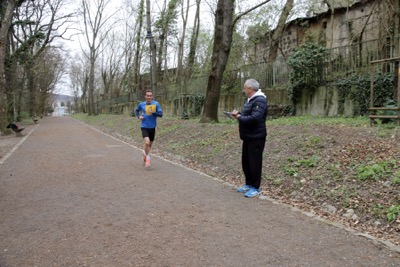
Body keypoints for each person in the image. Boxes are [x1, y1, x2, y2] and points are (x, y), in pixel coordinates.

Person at [231, 79, 268, 198]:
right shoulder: (250, 100)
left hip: (256, 137)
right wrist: (239, 114)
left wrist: (239, 117)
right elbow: (247, 114)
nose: (244, 90)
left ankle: (256, 187)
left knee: (255, 163)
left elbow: (255, 118)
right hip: (247, 136)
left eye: (245, 88)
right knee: (246, 162)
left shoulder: (260, 100)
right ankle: (248, 183)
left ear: (250, 89)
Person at [135, 89, 163, 167]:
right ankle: (148, 158)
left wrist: (153, 112)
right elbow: (136, 111)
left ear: (152, 96)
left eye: (150, 96)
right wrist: (139, 116)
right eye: (147, 96)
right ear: (145, 96)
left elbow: (161, 114)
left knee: (149, 145)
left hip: (152, 127)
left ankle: (144, 153)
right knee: (147, 142)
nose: (149, 97)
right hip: (144, 126)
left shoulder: (156, 104)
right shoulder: (141, 104)